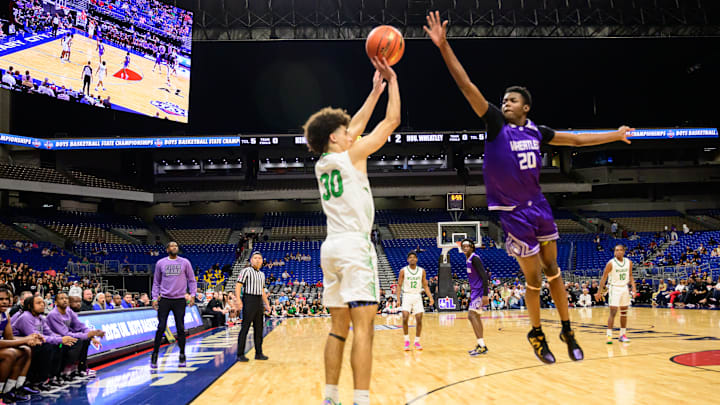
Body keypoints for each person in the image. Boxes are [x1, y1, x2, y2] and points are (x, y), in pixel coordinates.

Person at [424, 10, 633, 364]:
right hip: (512, 212)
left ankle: (567, 328)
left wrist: (616, 134)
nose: (505, 102)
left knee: (555, 272)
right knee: (534, 277)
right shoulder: (494, 124)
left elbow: (578, 141)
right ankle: (536, 332)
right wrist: (444, 47)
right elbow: (466, 86)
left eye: (512, 100)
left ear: (526, 107)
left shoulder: (538, 131)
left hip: (538, 205)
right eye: (504, 99)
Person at [304, 55, 400, 405]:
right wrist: (393, 81)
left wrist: (374, 92)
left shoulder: (324, 163)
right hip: (355, 248)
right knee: (364, 330)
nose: (352, 132)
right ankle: (361, 400)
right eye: (345, 132)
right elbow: (393, 121)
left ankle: (331, 397)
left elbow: (355, 127)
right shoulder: (353, 155)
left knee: (338, 329)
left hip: (330, 248)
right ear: (335, 137)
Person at [150, 241, 196, 369]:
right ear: (167, 249)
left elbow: (192, 280)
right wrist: (154, 298)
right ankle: (155, 355)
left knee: (180, 328)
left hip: (180, 299)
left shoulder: (185, 262)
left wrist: (192, 295)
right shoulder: (161, 263)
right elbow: (156, 282)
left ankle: (182, 355)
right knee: (161, 327)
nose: (174, 247)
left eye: (176, 246)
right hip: (165, 299)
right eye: (172, 246)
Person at [46, 293, 105, 380]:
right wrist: (87, 335)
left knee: (84, 340)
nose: (65, 300)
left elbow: (81, 326)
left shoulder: (69, 311)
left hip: (66, 339)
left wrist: (91, 337)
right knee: (76, 341)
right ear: (56, 302)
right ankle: (65, 372)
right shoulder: (53, 314)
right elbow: (65, 333)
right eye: (61, 298)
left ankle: (80, 369)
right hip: (56, 341)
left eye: (66, 298)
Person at [0, 287, 41, 402]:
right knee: (10, 354)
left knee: (26, 350)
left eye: (7, 299)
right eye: (1, 299)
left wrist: (31, 338)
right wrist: (24, 340)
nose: (4, 302)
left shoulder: (5, 314)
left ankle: (13, 388)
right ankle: (1, 391)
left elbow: (9, 338)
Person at [234, 252, 271, 362]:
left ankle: (258, 353)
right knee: (245, 327)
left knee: (259, 328)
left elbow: (263, 291)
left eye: (260, 258)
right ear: (251, 260)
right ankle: (240, 354)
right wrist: (238, 300)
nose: (257, 260)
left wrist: (267, 304)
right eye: (255, 258)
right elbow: (238, 285)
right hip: (249, 299)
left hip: (258, 301)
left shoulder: (262, 274)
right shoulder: (246, 271)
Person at [596, 245, 636, 343]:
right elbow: (604, 278)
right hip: (614, 288)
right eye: (616, 250)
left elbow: (630, 276)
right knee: (613, 312)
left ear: (623, 251)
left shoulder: (629, 262)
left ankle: (622, 335)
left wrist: (634, 289)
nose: (617, 252)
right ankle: (609, 336)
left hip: (624, 288)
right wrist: (599, 292)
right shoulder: (611, 263)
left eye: (619, 250)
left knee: (624, 313)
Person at [397, 251, 434, 351]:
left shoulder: (422, 271)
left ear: (417, 259)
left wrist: (430, 297)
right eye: (410, 257)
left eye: (414, 257)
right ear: (407, 260)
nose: (412, 259)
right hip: (407, 295)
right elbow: (399, 285)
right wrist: (398, 299)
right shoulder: (403, 270)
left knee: (419, 319)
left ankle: (417, 341)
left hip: (417, 296)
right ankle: (406, 341)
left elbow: (425, 285)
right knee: (405, 317)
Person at [461, 239, 490, 355]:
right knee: (476, 316)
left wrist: (485, 295)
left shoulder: (475, 258)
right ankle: (481, 344)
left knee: (471, 315)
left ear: (472, 247)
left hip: (479, 292)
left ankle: (482, 345)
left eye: (468, 246)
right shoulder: (468, 259)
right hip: (475, 292)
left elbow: (484, 276)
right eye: (463, 246)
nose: (465, 247)